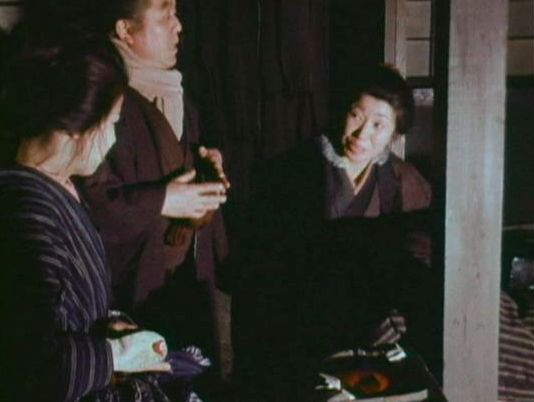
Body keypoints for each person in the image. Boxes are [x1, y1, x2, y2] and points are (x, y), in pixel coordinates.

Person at [0, 32, 208, 402]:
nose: (112, 139)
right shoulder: (28, 216)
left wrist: (107, 327)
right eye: (111, 123)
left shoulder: (60, 186)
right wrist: (117, 355)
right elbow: (30, 364)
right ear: (76, 127)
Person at [230, 65, 439, 400]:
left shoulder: (406, 183)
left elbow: (416, 265)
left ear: (395, 135)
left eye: (378, 125)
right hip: (297, 330)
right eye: (356, 116)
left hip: (371, 337)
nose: (362, 134)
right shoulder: (287, 173)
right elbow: (263, 273)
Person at [76, 0, 230, 366]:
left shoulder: (177, 91)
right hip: (129, 293)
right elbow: (88, 198)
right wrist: (163, 200)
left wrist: (207, 171)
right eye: (165, 16)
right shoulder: (95, 93)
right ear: (125, 30)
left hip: (183, 282)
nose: (179, 26)